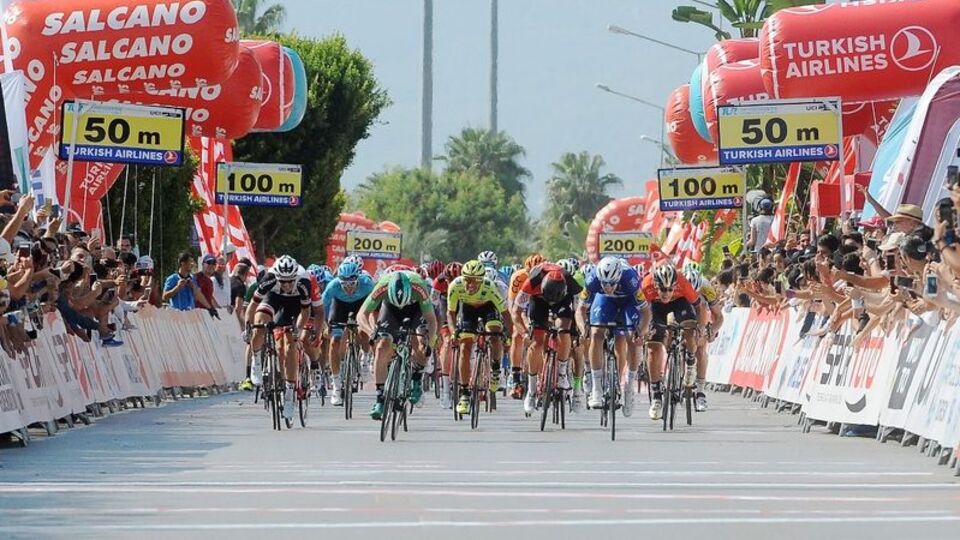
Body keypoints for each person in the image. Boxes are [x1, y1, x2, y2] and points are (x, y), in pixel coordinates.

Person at [359, 271, 437, 420]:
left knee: (420, 343)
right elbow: (362, 314)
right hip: (390, 309)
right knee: (382, 347)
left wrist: (429, 344)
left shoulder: (419, 287)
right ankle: (380, 399)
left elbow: (431, 320)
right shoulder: (382, 287)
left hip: (415, 310)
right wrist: (371, 331)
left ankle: (416, 379)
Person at [245, 255, 312, 422]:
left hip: (295, 305)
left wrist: (298, 328)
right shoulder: (269, 279)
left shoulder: (303, 283)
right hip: (273, 298)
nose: (287, 285)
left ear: (295, 276)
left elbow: (305, 311)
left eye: (290, 281)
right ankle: (257, 362)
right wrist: (249, 325)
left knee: (291, 344)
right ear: (277, 277)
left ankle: (289, 394)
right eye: (283, 281)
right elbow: (253, 305)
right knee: (259, 324)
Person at [580, 256, 650, 417]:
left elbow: (646, 312)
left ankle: (629, 387)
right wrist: (583, 328)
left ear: (618, 277)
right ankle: (597, 388)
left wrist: (642, 331)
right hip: (604, 301)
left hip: (628, 301)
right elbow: (581, 310)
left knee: (631, 337)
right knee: (596, 333)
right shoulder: (593, 279)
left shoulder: (630, 279)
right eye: (604, 283)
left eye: (611, 283)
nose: (607, 287)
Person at [511, 261, 583, 414]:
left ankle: (562, 373)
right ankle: (531, 391)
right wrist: (524, 333)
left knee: (564, 332)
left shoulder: (570, 282)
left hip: (563, 301)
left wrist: (578, 331)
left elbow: (579, 311)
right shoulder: (532, 281)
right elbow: (516, 312)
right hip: (539, 300)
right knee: (536, 343)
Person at [641, 264, 707, 421]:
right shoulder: (646, 284)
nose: (667, 293)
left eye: (670, 289)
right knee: (653, 348)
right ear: (655, 284)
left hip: (680, 303)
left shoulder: (682, 282)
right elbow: (640, 309)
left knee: (690, 329)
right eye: (663, 289)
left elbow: (700, 307)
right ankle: (656, 396)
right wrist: (641, 330)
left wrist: (701, 327)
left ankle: (690, 362)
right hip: (655, 307)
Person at [447, 260, 511, 415]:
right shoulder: (455, 286)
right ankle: (464, 393)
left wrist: (508, 336)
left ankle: (495, 370)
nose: (470, 284)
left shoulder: (490, 287)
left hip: (488, 307)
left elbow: (505, 314)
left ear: (482, 280)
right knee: (465, 346)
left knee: (494, 333)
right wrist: (453, 332)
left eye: (475, 281)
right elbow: (451, 313)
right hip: (468, 310)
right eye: (467, 280)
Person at [322, 260, 374, 406]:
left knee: (363, 332)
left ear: (358, 279)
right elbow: (321, 307)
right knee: (334, 342)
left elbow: (375, 307)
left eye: (352, 284)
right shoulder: (333, 286)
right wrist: (325, 326)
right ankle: (337, 386)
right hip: (340, 306)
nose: (348, 288)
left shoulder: (367, 284)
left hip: (361, 305)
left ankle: (365, 358)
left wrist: (371, 325)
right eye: (344, 284)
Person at [681, 264, 722, 412]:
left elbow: (719, 316)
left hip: (701, 311)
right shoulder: (677, 284)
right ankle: (677, 374)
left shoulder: (706, 288)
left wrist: (712, 330)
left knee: (700, 347)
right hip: (681, 309)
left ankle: (700, 392)